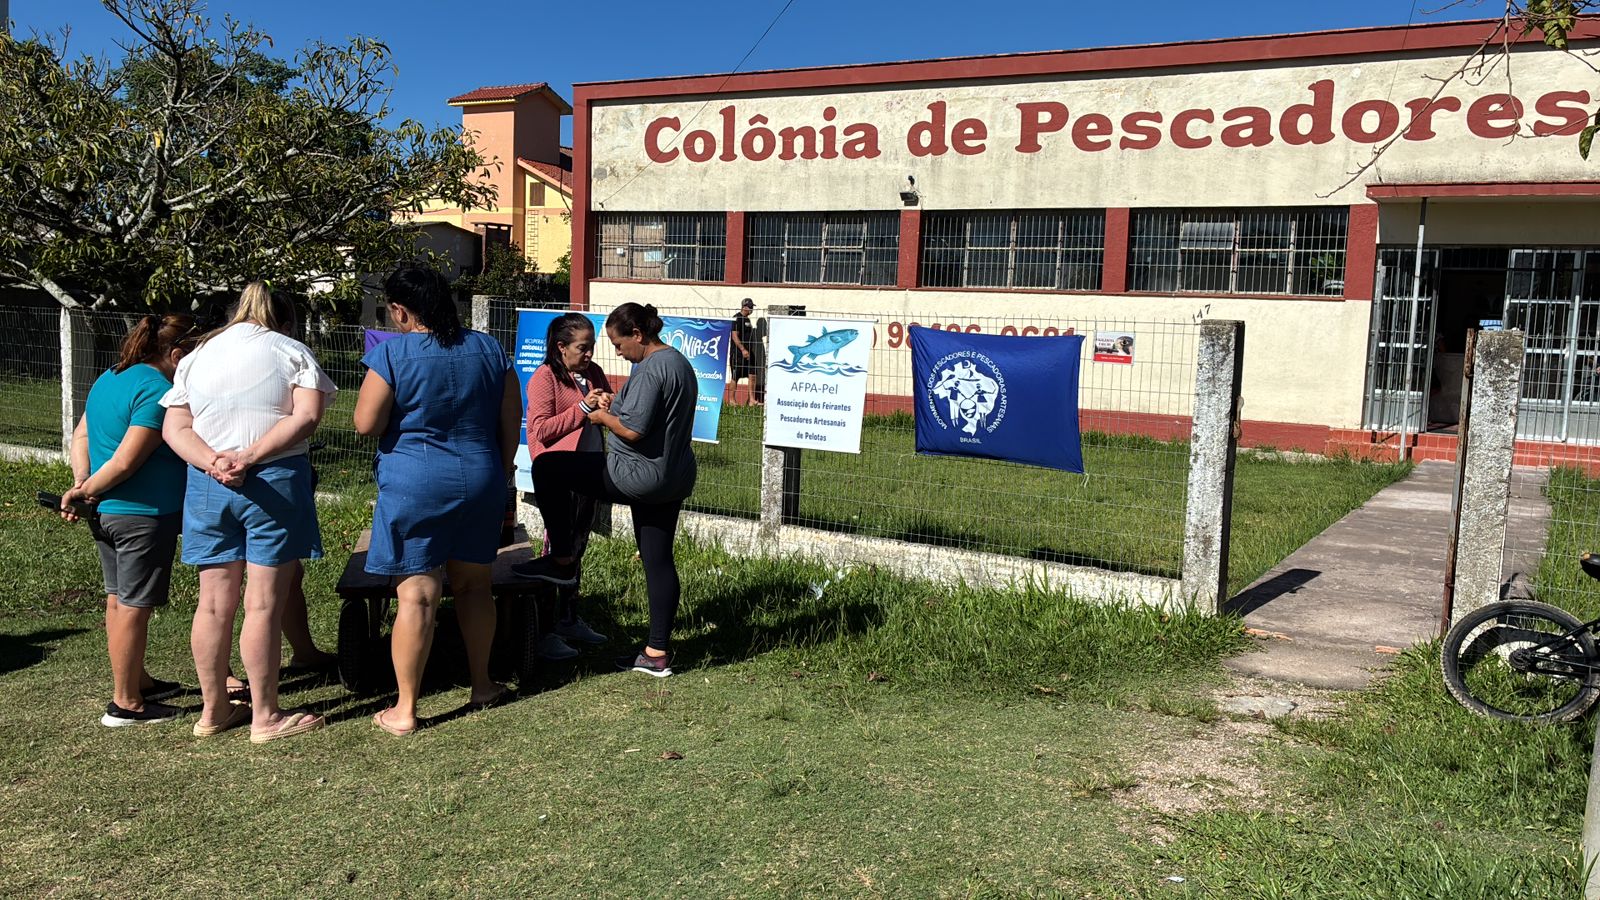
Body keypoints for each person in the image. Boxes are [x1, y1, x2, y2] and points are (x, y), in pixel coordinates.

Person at [162, 283, 336, 743]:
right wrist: (250, 456)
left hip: (207, 485)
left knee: (212, 603)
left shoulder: (199, 355)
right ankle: (265, 716)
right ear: (286, 319)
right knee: (262, 604)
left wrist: (212, 461)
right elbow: (306, 416)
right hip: (273, 481)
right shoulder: (291, 351)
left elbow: (175, 426)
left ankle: (214, 709)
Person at [355, 264, 519, 736]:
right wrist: (501, 467)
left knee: (417, 593)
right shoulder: (490, 349)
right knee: (475, 585)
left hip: (416, 481)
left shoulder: (392, 354)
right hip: (481, 476)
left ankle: (405, 709)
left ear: (400, 310)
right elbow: (512, 417)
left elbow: (365, 424)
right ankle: (482, 684)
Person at [517, 302, 698, 678]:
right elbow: (646, 415)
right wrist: (613, 406)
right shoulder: (678, 362)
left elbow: (632, 430)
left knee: (547, 468)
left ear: (638, 335)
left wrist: (599, 415)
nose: (616, 353)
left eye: (617, 344)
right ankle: (656, 653)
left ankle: (561, 559)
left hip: (638, 474)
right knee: (658, 560)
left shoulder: (650, 368)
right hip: (673, 476)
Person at [61, 315, 202, 726]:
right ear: (176, 355)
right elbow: (127, 460)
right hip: (143, 516)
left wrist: (83, 481)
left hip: (107, 513)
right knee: (135, 606)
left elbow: (81, 436)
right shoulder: (158, 390)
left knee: (118, 599)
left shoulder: (111, 377)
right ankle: (126, 703)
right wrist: (85, 490)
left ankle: (137, 681)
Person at [513, 313, 615, 659]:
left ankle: (569, 618)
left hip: (589, 472)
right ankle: (542, 630)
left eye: (591, 347)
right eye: (582, 348)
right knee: (556, 554)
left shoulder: (592, 372)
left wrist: (608, 403)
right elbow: (540, 430)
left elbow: (604, 404)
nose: (589, 354)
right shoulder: (544, 377)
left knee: (577, 547)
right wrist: (583, 407)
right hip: (558, 476)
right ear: (561, 347)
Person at [729, 298, 762, 406]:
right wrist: (742, 349)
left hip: (749, 352)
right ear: (744, 307)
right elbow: (734, 336)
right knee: (735, 376)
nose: (752, 309)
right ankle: (732, 400)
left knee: (753, 374)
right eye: (750, 307)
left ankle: (751, 400)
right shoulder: (737, 318)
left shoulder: (747, 320)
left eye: (752, 307)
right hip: (738, 353)